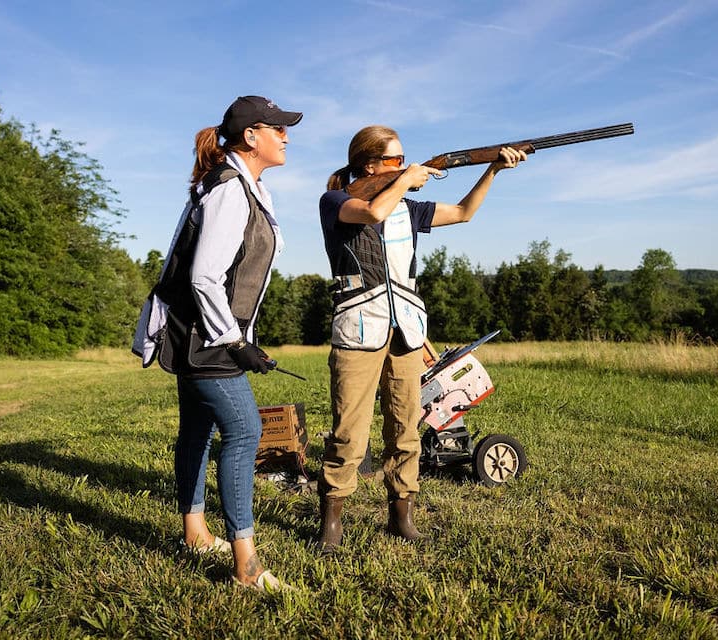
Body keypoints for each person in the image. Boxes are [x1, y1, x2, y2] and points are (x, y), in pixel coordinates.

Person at [315, 125, 526, 553]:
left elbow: (465, 212)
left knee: (406, 429)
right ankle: (332, 522)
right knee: (349, 434)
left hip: (406, 332)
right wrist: (406, 180)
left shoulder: (408, 209)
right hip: (358, 329)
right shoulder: (337, 201)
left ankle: (401, 515)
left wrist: (493, 170)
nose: (405, 166)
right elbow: (372, 213)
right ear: (370, 166)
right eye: (395, 160)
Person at [132, 96, 302, 590]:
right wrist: (234, 339)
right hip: (206, 340)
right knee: (246, 432)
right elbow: (206, 277)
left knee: (198, 433)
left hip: (199, 335)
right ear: (252, 137)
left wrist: (245, 337)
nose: (286, 136)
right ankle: (246, 569)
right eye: (278, 128)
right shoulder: (230, 190)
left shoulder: (237, 185)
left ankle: (195, 533)